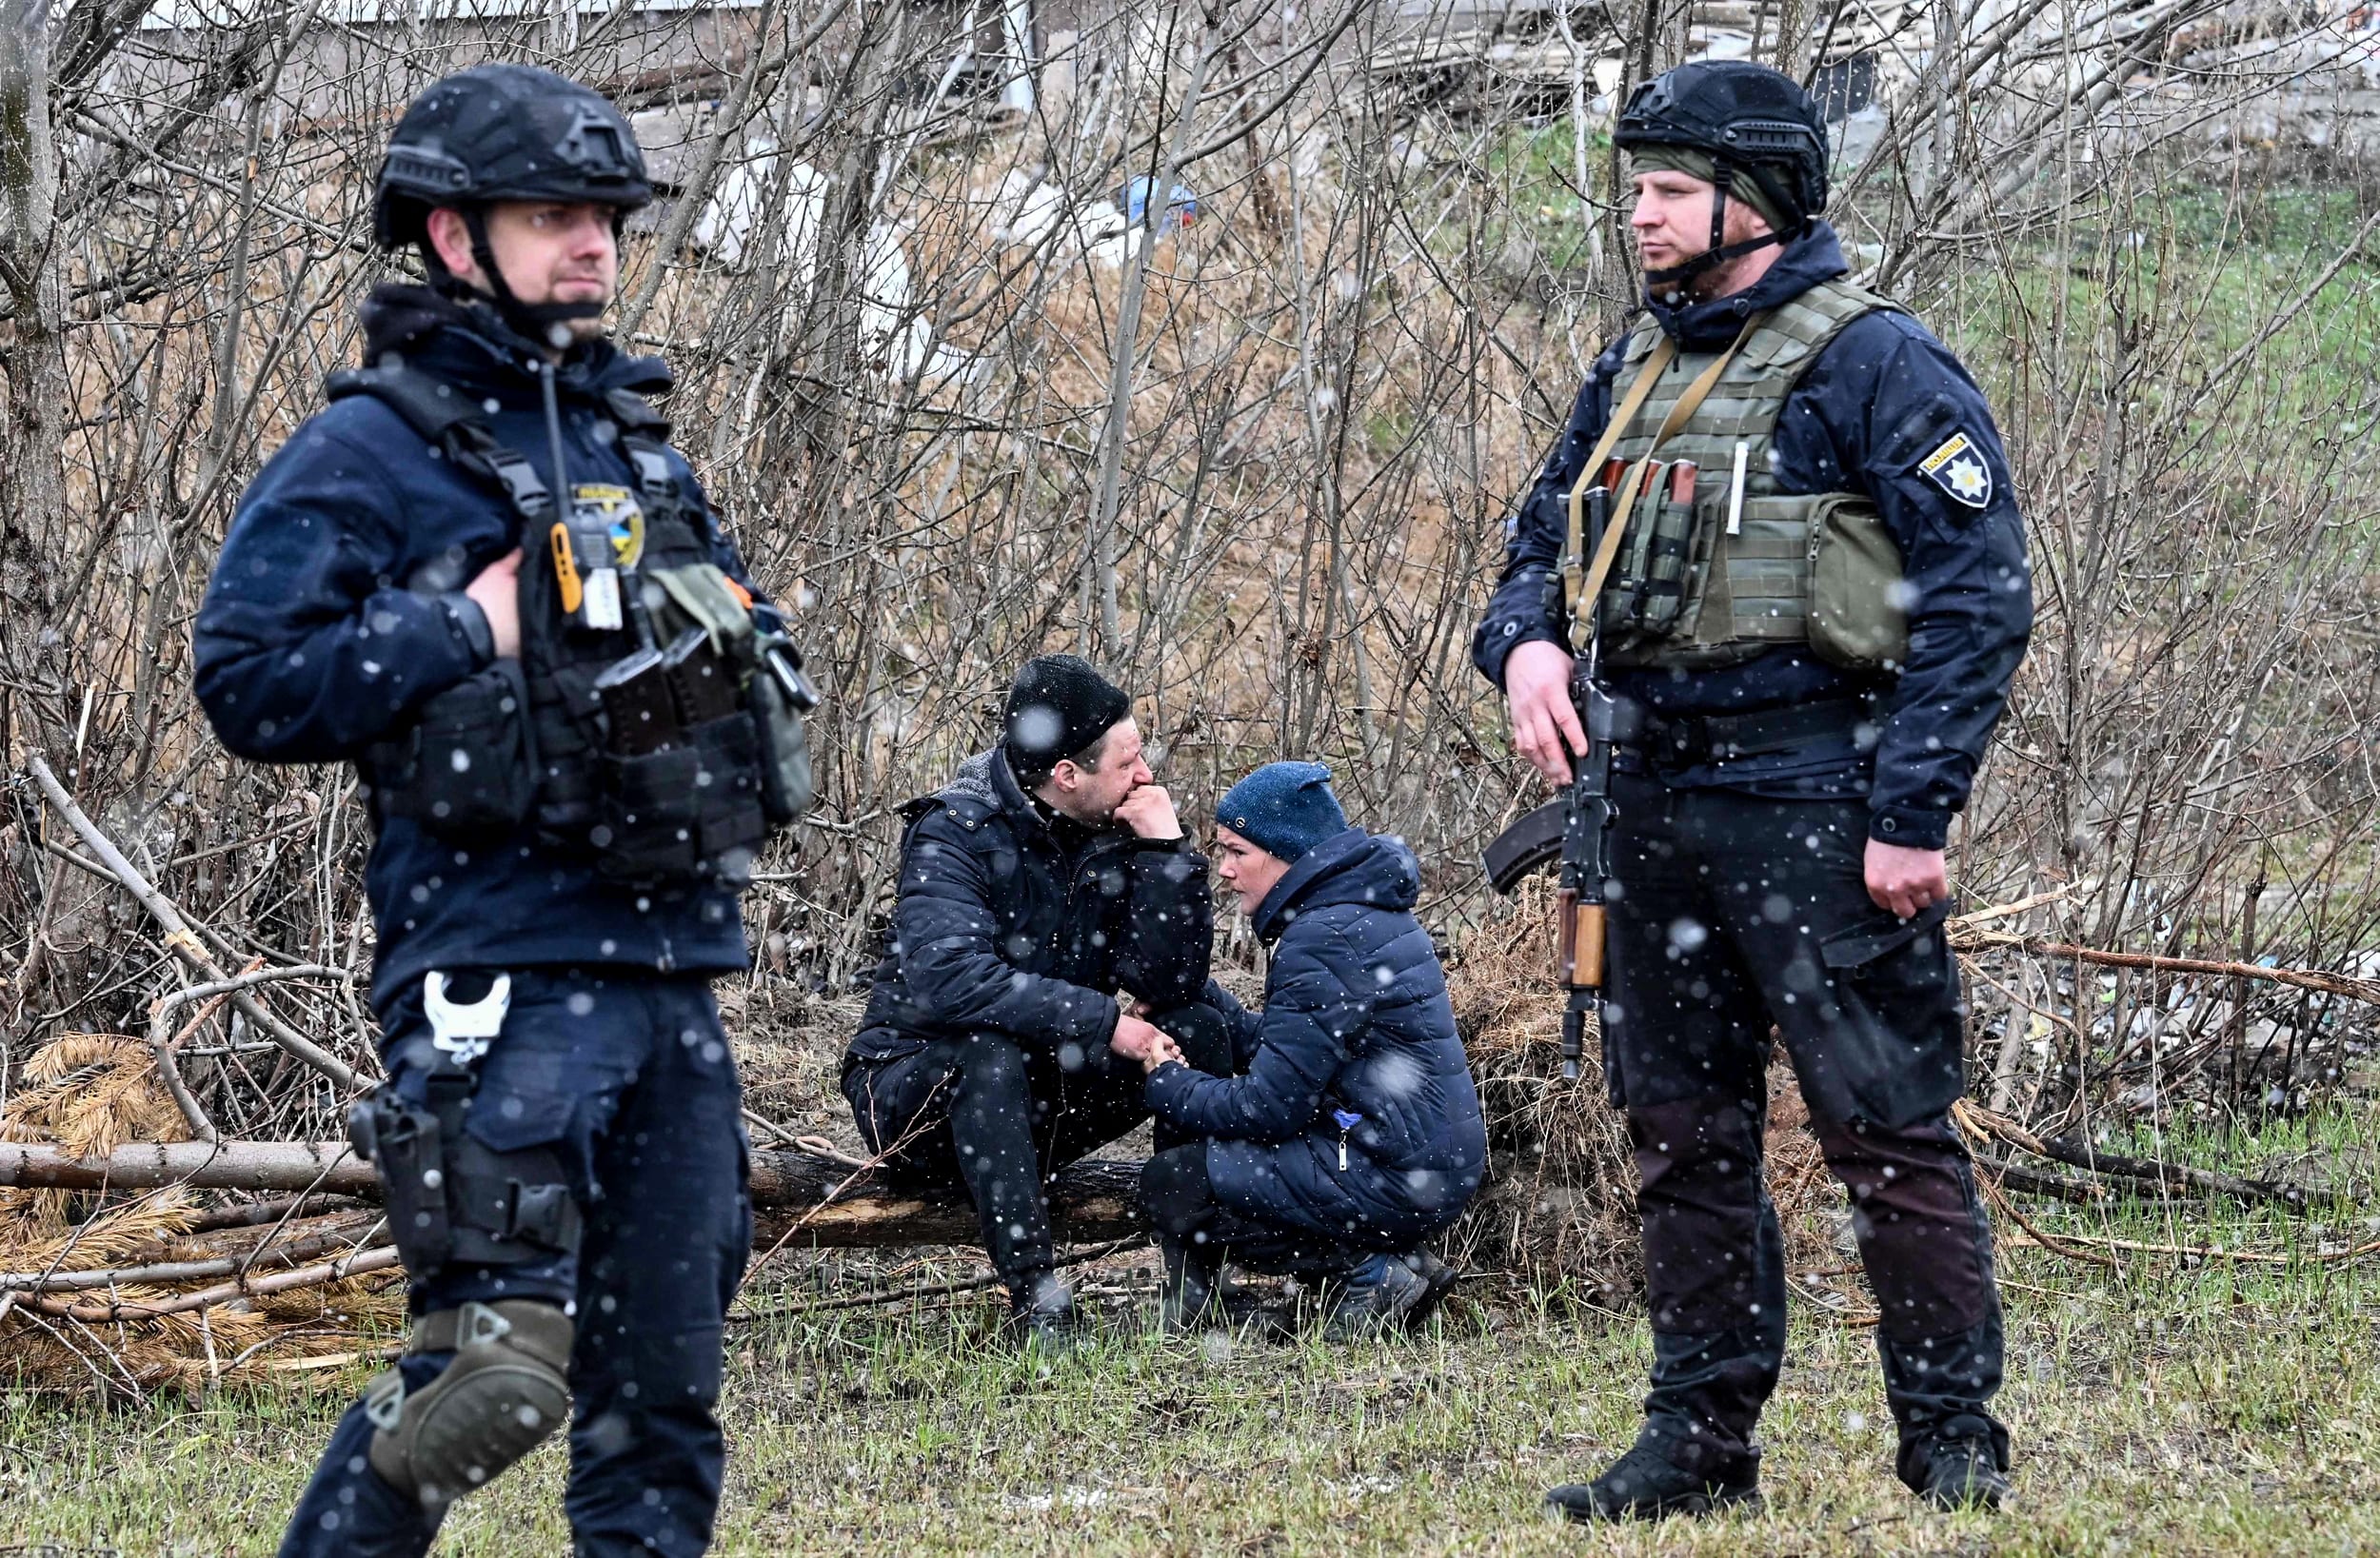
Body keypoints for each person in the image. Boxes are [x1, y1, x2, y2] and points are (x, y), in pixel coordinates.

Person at [193, 64, 811, 1558]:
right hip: (495, 977)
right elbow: (245, 678)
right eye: (554, 215)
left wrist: (738, 651)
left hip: (674, 970)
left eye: (607, 216)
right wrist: (466, 627)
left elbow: (741, 653)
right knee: (492, 1381)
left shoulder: (633, 447)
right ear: (454, 237)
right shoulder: (372, 450)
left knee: (661, 1409)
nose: (594, 244)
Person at [1472, 61, 2033, 1522]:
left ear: (1757, 196)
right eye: (1637, 188)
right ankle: (1700, 1441)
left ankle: (1952, 1440)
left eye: (1666, 190)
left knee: (1888, 1133)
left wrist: (1913, 812)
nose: (1639, 217)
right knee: (1681, 1134)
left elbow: (1978, 598)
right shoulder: (1635, 369)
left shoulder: (1877, 365)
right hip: (1653, 806)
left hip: (1820, 802)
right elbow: (1535, 544)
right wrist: (1527, 643)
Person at [840, 655, 1220, 1347]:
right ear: (1067, 775)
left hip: (1044, 1085)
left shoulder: (1117, 828)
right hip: (915, 1093)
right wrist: (1106, 1023)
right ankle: (1039, 1307)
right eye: (1129, 761)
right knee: (987, 1055)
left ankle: (1197, 1288)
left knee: (1198, 1027)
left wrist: (1167, 852)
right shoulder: (956, 829)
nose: (1146, 775)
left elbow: (1173, 987)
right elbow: (950, 980)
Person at [1132, 763, 1486, 1338]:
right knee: (1206, 1170)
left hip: (1389, 1169)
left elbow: (1271, 1106)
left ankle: (1368, 1274)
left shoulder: (1322, 938)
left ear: (1284, 853)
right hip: (1400, 1156)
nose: (1223, 870)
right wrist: (1197, 994)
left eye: (1236, 851)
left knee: (1176, 1182)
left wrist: (1165, 1080)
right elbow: (1290, 1055)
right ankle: (1394, 1262)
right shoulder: (1350, 916)